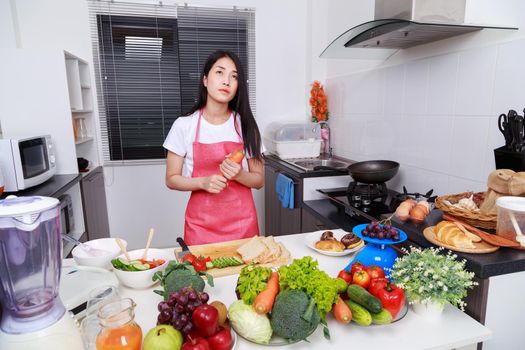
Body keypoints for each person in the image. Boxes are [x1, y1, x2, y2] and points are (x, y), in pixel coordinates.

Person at [163, 50, 264, 245]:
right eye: (219, 72)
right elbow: (171, 179)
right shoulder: (184, 125)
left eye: (234, 77)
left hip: (243, 225)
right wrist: (203, 183)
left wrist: (239, 175)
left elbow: (259, 180)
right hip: (201, 227)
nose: (226, 81)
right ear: (205, 80)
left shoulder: (247, 125)